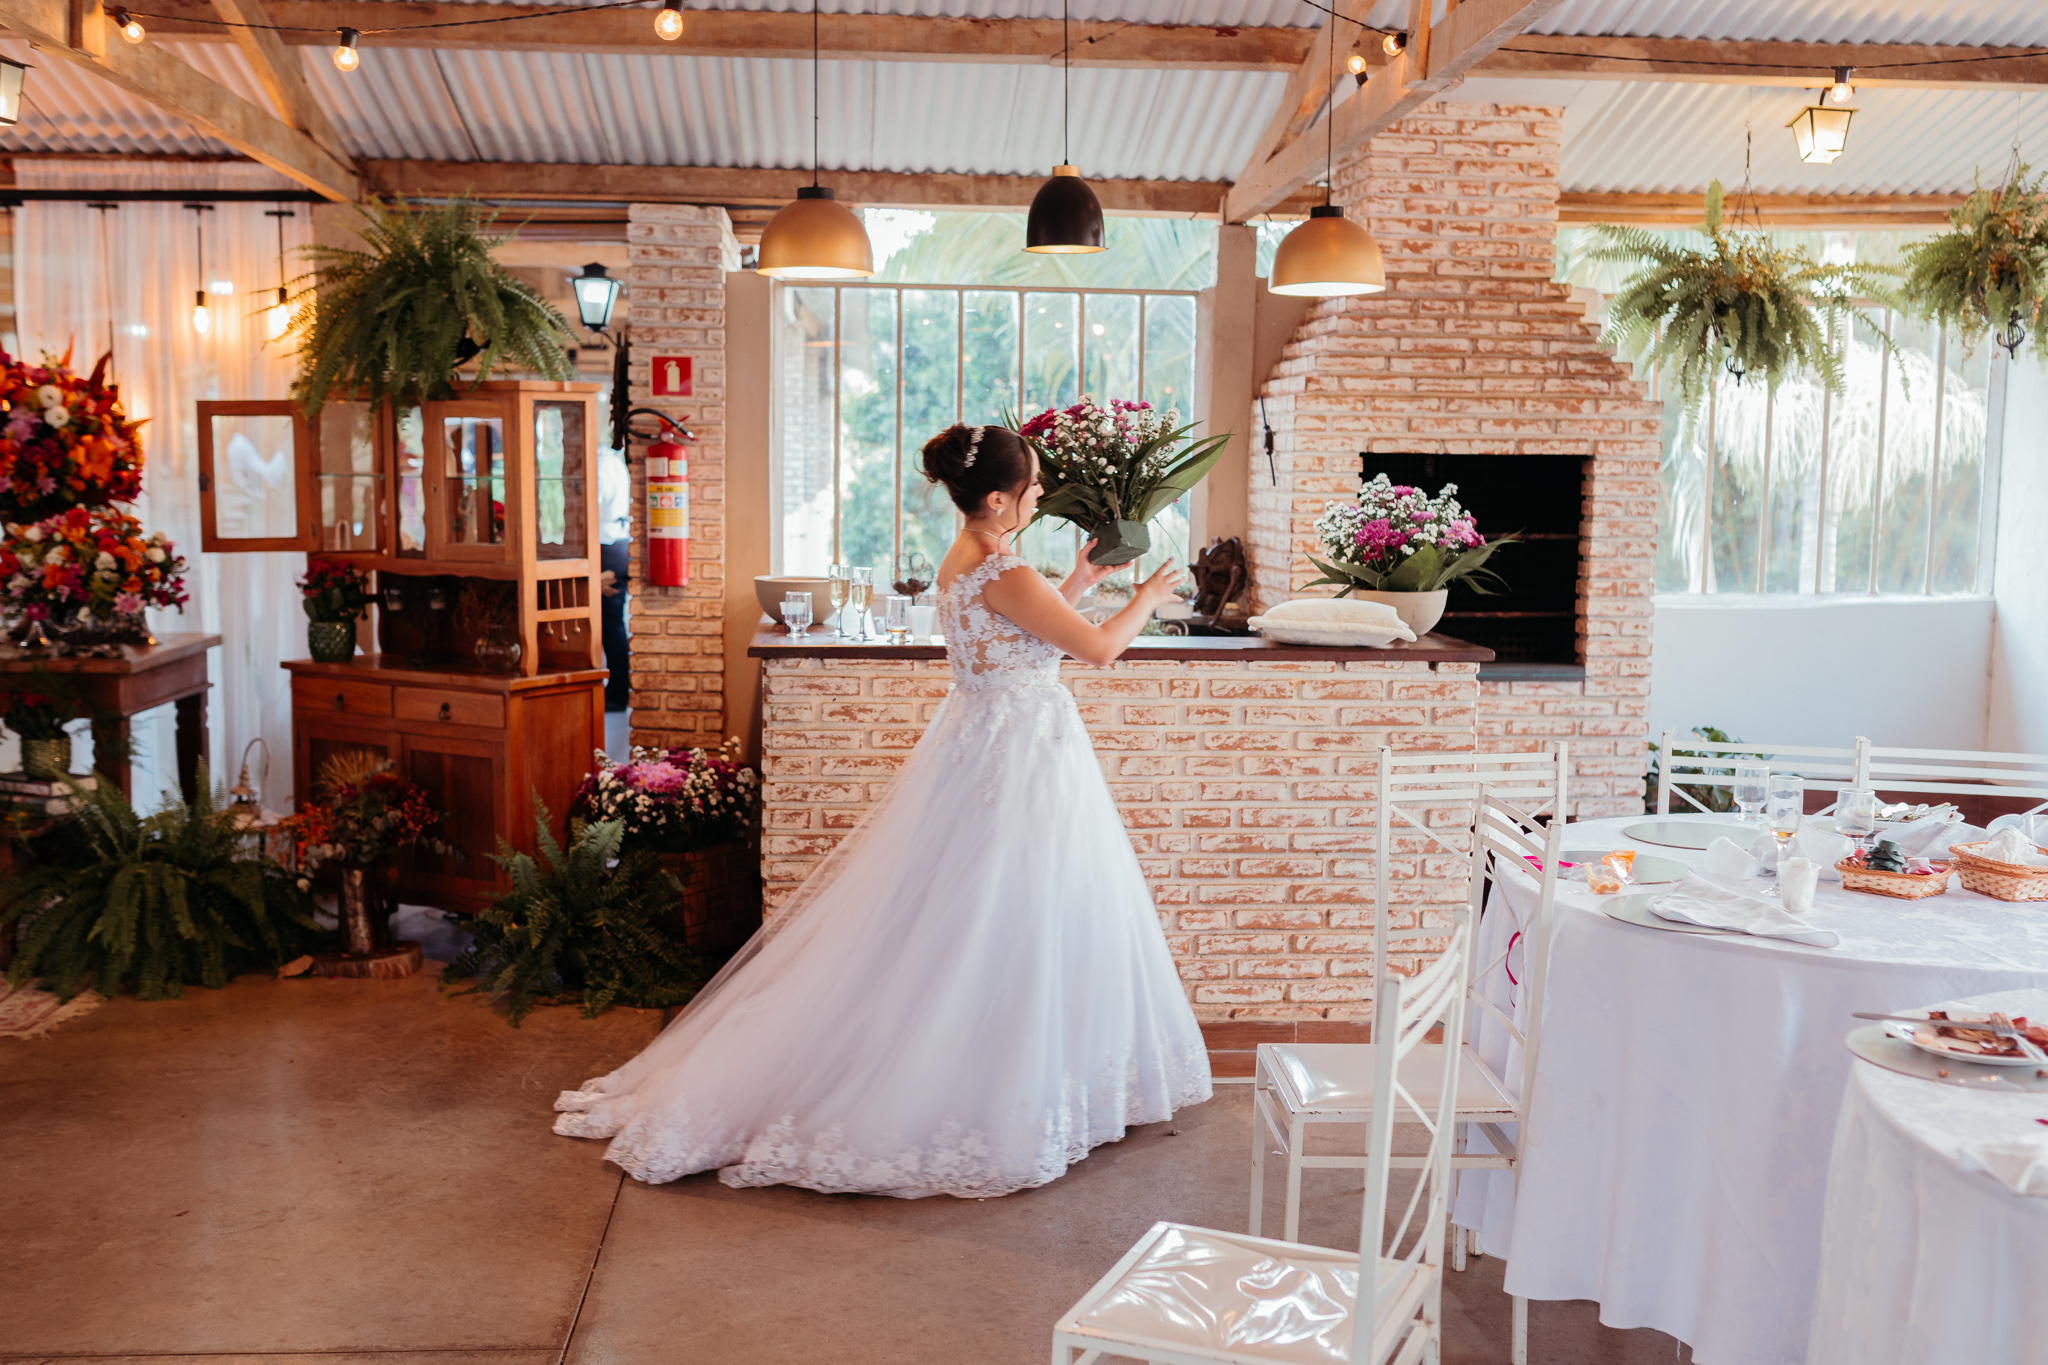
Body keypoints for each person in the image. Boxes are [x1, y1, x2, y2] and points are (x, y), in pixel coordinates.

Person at [553, 422, 1211, 1197]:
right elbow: (1095, 649)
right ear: (999, 499)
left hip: (995, 749)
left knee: (993, 911)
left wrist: (1077, 578)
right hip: (1017, 760)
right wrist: (1147, 597)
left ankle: (1011, 1069)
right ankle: (985, 1084)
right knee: (1012, 911)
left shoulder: (970, 555)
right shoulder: (1001, 566)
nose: (1040, 495)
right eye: (1033, 486)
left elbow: (1031, 633)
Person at [596, 444, 631, 712]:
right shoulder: (615, 461)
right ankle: (617, 688)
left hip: (606, 547)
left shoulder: (600, 464)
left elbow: (591, 506)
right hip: (618, 544)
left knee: (610, 623)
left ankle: (618, 692)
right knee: (613, 623)